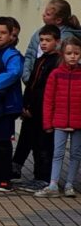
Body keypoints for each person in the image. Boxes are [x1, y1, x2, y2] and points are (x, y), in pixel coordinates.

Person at [14, 24, 60, 190]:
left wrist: (34, 107)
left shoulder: (57, 62)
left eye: (48, 40)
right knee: (29, 141)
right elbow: (32, 85)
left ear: (57, 42)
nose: (44, 43)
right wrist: (25, 105)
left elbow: (45, 89)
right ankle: (27, 172)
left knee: (43, 145)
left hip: (44, 112)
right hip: (31, 110)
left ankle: (43, 177)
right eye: (41, 40)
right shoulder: (41, 59)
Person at [35, 36, 81, 198]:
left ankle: (69, 184)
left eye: (76, 53)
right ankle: (53, 183)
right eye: (69, 53)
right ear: (62, 54)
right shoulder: (55, 74)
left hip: (78, 122)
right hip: (59, 122)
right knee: (57, 153)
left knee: (75, 154)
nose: (73, 56)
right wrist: (48, 123)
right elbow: (48, 100)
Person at [0, 16, 24, 192]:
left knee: (2, 142)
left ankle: (4, 178)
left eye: (3, 33)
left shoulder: (12, 55)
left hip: (7, 105)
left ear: (11, 35)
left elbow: (13, 73)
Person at [23, 0, 81, 83]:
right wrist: (27, 76)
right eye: (42, 40)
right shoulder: (38, 33)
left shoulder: (67, 38)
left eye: (48, 14)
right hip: (35, 83)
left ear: (58, 20)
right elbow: (30, 54)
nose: (43, 15)